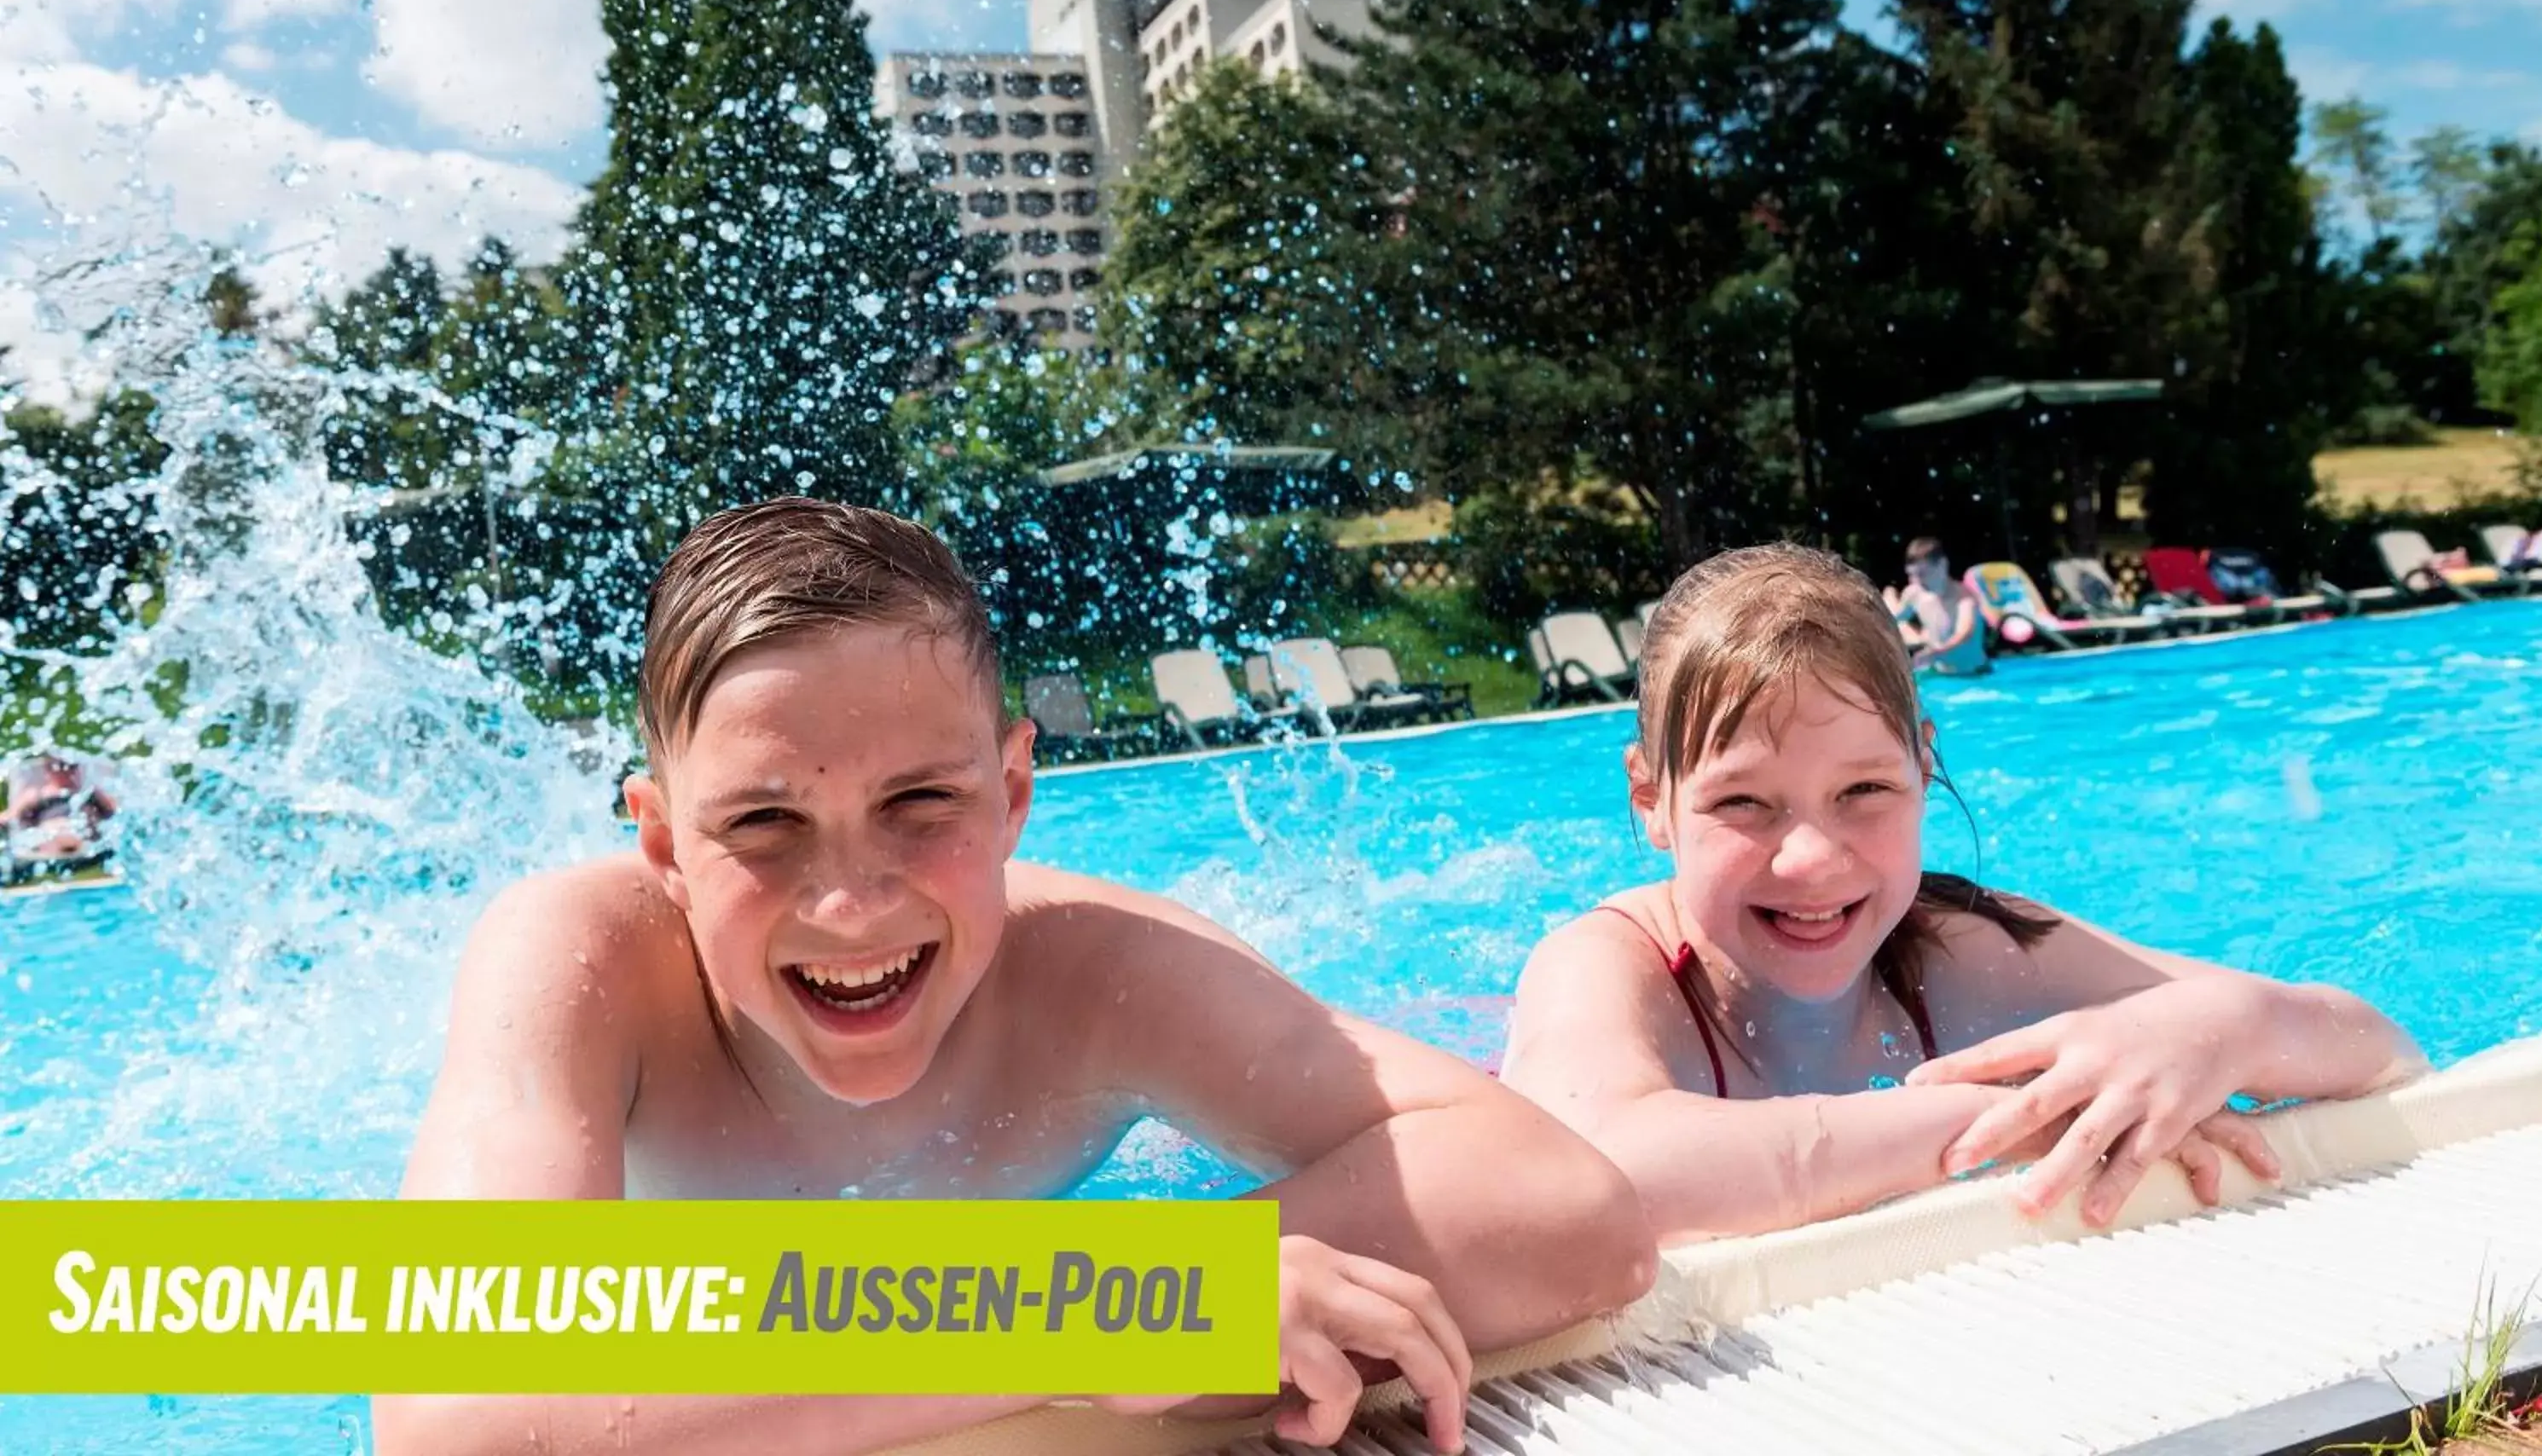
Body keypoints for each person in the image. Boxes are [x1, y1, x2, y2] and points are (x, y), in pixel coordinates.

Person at [378, 499, 1653, 1456]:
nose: (850, 902)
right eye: (762, 825)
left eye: (922, 802)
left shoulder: (1095, 973)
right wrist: (1110, 1307)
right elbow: (455, 1411)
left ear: (1014, 795)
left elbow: (1567, 1204)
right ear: (661, 841)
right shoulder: (579, 968)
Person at [1499, 544, 2425, 1247]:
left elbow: (2380, 1049)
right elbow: (1597, 1177)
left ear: (1924, 766)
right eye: (1744, 802)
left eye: (1865, 791)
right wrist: (2015, 1119)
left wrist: (2225, 1027)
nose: (1814, 859)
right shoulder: (1608, 965)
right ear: (1652, 800)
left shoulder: (1958, 950)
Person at [1886, 536, 1990, 676]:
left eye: (1922, 574)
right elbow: (1892, 620)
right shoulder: (1915, 594)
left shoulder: (1964, 598)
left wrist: (1935, 654)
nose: (1915, 580)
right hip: (1940, 674)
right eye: (1911, 574)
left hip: (1976, 676)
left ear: (1942, 565)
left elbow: (1964, 634)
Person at [5, 751, 119, 874]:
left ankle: (70, 842)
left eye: (71, 767)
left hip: (88, 842)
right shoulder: (35, 795)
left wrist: (96, 796)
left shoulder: (89, 792)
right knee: (55, 829)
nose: (66, 772)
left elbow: (115, 812)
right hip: (48, 841)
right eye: (59, 767)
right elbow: (9, 817)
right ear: (48, 770)